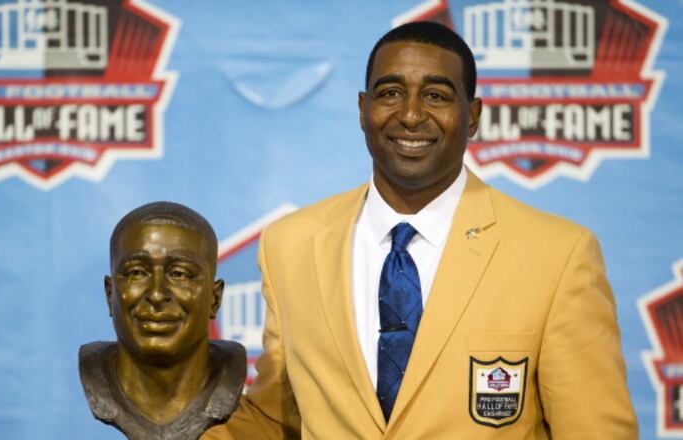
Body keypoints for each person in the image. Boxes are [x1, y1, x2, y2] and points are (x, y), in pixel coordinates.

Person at [205, 21, 636, 439]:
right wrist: (166, 417)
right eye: (390, 93)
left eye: (436, 95)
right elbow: (276, 420)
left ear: (473, 116)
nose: (411, 115)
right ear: (362, 110)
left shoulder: (557, 255)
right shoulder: (291, 245)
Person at [79, 202, 246, 440]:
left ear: (214, 298)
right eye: (137, 272)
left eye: (179, 274)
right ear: (110, 293)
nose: (157, 294)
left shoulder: (231, 384)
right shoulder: (97, 379)